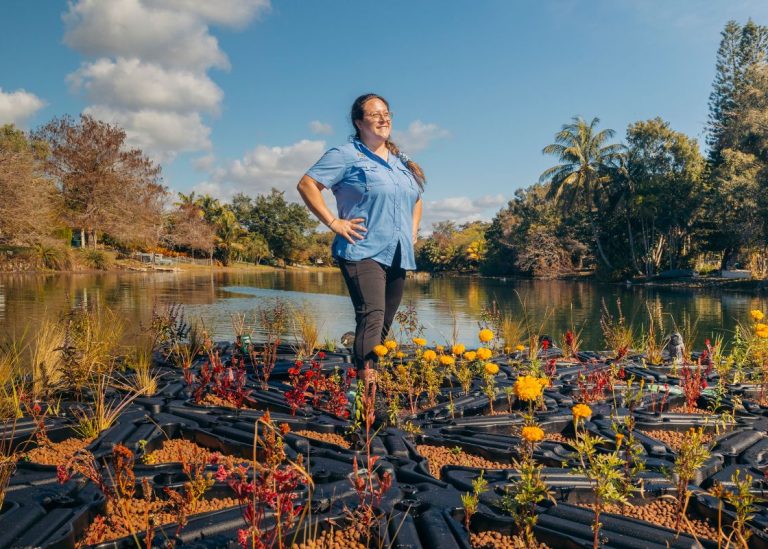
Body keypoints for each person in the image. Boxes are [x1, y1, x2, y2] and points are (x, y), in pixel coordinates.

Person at [297, 93, 425, 393]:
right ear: (359, 122)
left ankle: (364, 383)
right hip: (361, 250)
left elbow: (416, 198)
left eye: (387, 112)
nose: (384, 118)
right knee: (372, 316)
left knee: (381, 325)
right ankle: (368, 397)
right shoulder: (345, 155)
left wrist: (413, 229)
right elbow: (307, 184)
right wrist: (333, 222)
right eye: (375, 114)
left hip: (397, 253)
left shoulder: (400, 162)